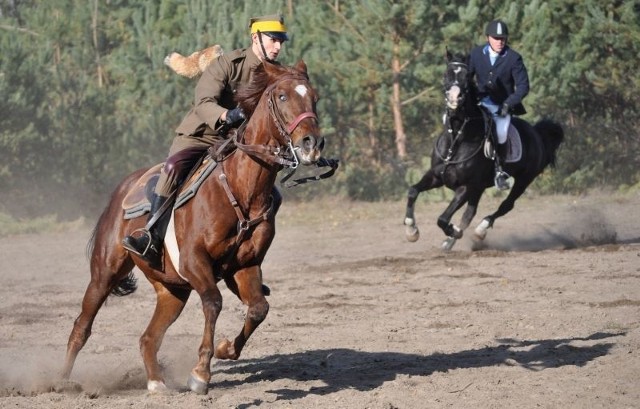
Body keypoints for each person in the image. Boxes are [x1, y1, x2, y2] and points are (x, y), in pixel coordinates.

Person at [122, 13, 289, 264]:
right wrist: (227, 115)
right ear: (255, 37)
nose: (278, 46)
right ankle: (150, 237)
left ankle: (249, 262)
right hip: (201, 136)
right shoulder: (227, 63)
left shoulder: (276, 74)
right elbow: (203, 103)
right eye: (273, 39)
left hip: (236, 143)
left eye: (281, 41)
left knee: (272, 195)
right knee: (172, 168)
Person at [468, 19, 530, 190]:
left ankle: (499, 171)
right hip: (478, 103)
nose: (500, 41)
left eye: (503, 38)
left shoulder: (514, 58)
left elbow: (523, 86)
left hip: (500, 106)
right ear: (488, 37)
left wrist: (508, 104)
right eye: (496, 38)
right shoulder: (475, 54)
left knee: (501, 133)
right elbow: (466, 78)